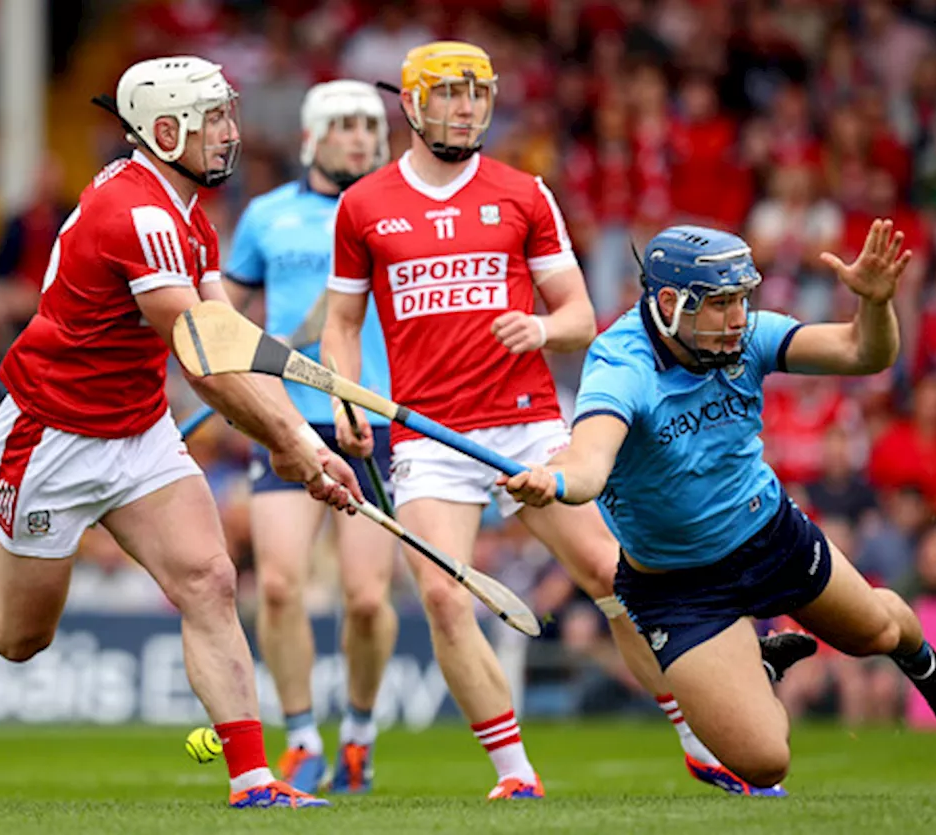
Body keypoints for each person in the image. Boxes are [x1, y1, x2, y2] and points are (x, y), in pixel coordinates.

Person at [0, 56, 366, 810]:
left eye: (229, 115)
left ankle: (253, 781)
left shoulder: (188, 213)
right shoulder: (138, 214)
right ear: (165, 133)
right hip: (51, 439)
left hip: (136, 432)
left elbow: (226, 338)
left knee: (210, 580)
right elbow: (201, 358)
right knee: (18, 632)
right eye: (215, 120)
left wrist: (302, 436)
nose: (232, 134)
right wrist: (297, 445)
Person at [322, 41, 809, 799]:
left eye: (477, 93)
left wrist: (540, 331)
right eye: (449, 94)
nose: (465, 107)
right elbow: (345, 324)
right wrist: (345, 399)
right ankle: (515, 776)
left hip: (527, 426)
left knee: (614, 579)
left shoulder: (524, 193)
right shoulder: (364, 206)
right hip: (429, 436)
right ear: (412, 104)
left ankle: (698, 734)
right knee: (447, 594)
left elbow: (582, 315)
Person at [502, 220, 936, 788]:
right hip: (678, 587)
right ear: (670, 303)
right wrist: (555, 481)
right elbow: (589, 464)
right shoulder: (622, 367)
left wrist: (874, 304)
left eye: (742, 299)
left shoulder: (747, 338)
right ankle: (756, 663)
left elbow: (863, 353)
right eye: (720, 304)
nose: (738, 317)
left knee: (877, 636)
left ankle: (933, 670)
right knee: (765, 762)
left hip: (770, 535)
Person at [224, 80, 397, 794]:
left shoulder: (395, 215)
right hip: (287, 418)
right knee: (279, 585)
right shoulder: (266, 216)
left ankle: (357, 732)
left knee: (363, 597)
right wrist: (235, 359)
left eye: (368, 125)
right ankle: (300, 738)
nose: (358, 135)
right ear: (313, 135)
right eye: (345, 124)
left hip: (373, 421)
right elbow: (220, 314)